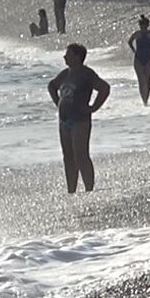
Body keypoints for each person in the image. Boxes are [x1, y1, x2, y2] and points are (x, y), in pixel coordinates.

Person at [47, 44, 111, 193]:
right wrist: (58, 102)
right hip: (64, 121)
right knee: (68, 156)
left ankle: (89, 189)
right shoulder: (64, 74)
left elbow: (104, 88)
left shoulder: (86, 74)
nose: (65, 57)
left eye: (68, 54)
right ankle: (71, 191)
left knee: (81, 155)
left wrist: (94, 107)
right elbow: (51, 86)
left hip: (80, 120)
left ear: (77, 57)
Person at [127, 15, 150, 105]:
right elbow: (129, 42)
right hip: (138, 58)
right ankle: (144, 100)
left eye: (144, 25)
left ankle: (146, 100)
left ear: (147, 25)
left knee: (147, 81)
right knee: (141, 80)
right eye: (141, 25)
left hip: (148, 58)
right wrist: (134, 50)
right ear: (140, 25)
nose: (143, 27)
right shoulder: (136, 34)